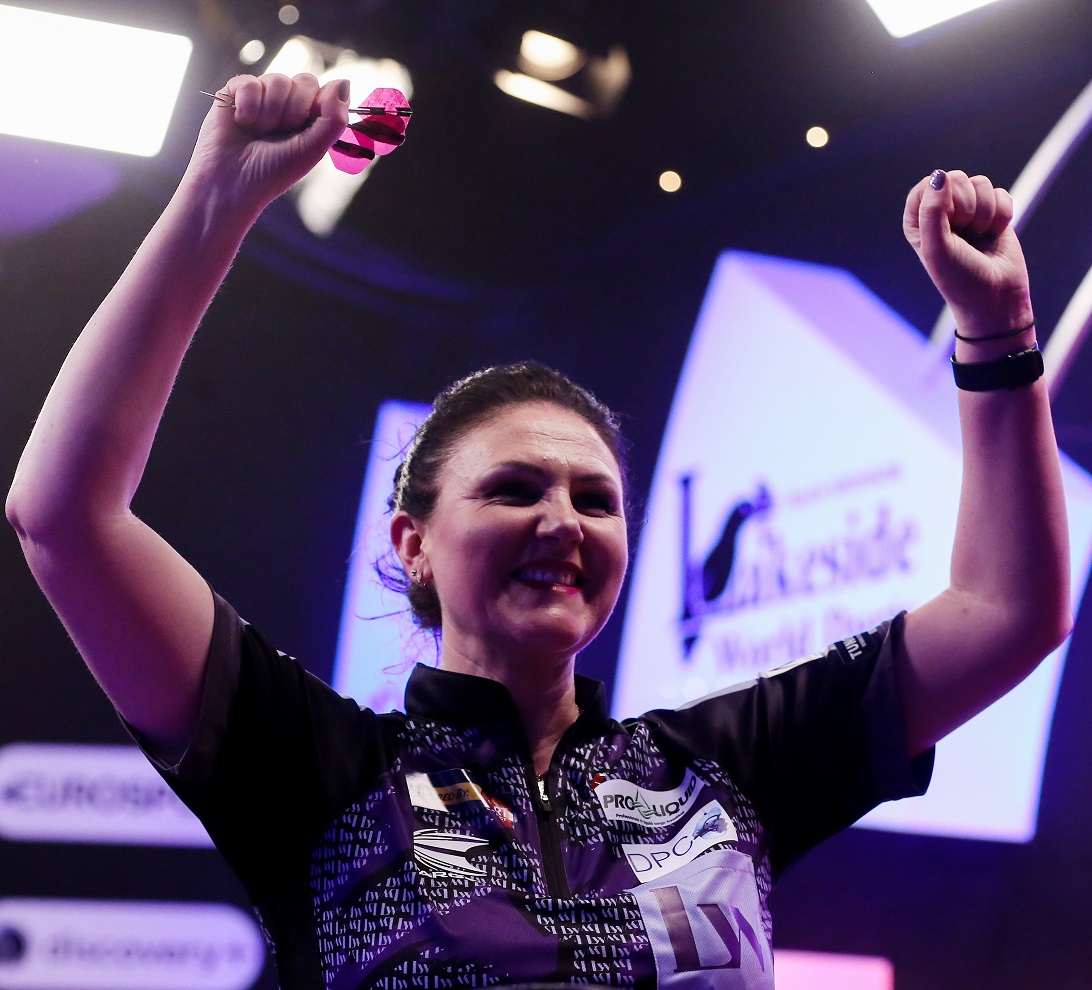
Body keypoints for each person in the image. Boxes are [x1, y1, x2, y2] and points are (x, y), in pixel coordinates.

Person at [5, 72, 1071, 989]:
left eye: (596, 499)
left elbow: (1005, 612)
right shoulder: (319, 772)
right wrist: (216, 200)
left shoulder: (725, 770)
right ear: (413, 543)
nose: (562, 520)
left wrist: (997, 331)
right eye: (514, 489)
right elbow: (63, 515)